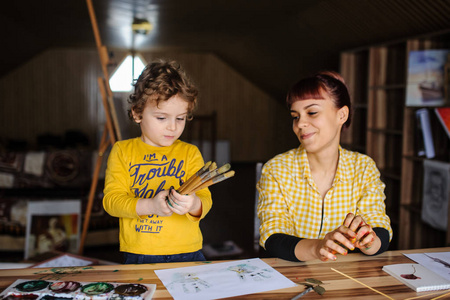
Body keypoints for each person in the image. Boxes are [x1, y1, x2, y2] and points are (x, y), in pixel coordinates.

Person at [257, 71, 392, 262]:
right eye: (295, 116)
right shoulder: (276, 169)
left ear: (342, 115)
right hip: (292, 277)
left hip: (347, 281)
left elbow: (380, 227)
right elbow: (272, 236)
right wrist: (319, 247)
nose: (301, 124)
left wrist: (369, 241)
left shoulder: (363, 167)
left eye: (312, 112)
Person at [103, 60, 212, 264]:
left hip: (188, 252)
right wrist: (150, 206)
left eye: (180, 118)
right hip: (141, 254)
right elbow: (111, 202)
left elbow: (205, 198)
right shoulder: (122, 151)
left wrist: (194, 204)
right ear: (137, 113)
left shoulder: (190, 153)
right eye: (162, 118)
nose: (172, 127)